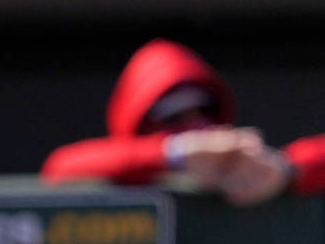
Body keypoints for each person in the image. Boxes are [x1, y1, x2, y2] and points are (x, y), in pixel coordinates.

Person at [41, 38, 325, 206]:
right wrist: (178, 153)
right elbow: (61, 166)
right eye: (173, 115)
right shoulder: (125, 173)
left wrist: (288, 171)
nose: (196, 123)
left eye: (205, 109)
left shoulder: (240, 171)